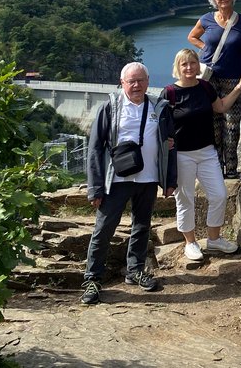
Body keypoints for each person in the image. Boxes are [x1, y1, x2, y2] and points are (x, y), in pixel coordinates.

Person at [81, 62, 177, 306]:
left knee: (142, 226)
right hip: (117, 180)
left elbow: (169, 145)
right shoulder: (111, 107)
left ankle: (135, 270)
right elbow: (94, 149)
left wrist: (169, 180)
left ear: (147, 81)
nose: (136, 85)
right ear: (122, 83)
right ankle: (92, 279)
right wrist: (95, 186)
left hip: (148, 178)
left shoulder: (159, 107)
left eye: (140, 80)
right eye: (131, 81)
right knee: (104, 229)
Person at [161, 48, 241, 261]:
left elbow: (220, 108)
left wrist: (238, 88)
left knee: (218, 194)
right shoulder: (170, 93)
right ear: (177, 67)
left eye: (192, 63)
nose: (189, 68)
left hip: (207, 151)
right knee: (185, 199)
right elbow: (160, 122)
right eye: (184, 64)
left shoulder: (206, 87)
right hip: (182, 155)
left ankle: (214, 239)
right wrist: (166, 140)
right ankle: (190, 243)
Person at [188, 0, 241, 178]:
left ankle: (231, 170)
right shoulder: (206, 19)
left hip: (233, 78)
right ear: (214, 0)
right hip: (208, 77)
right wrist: (205, 49)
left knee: (232, 126)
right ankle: (216, 169)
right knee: (212, 125)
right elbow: (192, 37)